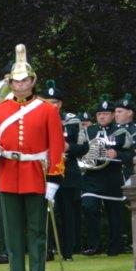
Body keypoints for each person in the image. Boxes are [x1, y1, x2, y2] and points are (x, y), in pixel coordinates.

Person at [0, 45, 65, 271]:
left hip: (36, 171)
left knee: (37, 227)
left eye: (25, 81)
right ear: (10, 83)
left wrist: (54, 177)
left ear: (32, 81)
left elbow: (57, 146)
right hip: (9, 171)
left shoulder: (47, 109)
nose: (20, 85)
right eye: (16, 82)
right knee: (12, 229)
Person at [80, 94, 134, 256]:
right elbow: (81, 150)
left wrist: (116, 153)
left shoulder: (121, 132)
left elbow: (131, 155)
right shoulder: (89, 131)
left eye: (105, 114)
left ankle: (115, 247)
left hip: (112, 178)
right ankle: (93, 245)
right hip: (92, 178)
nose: (102, 116)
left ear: (112, 115)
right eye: (99, 114)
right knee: (89, 206)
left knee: (115, 214)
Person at [41, 80, 89, 261]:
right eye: (47, 102)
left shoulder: (72, 121)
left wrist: (68, 147)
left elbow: (84, 147)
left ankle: (67, 252)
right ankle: (47, 250)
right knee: (45, 212)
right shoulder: (37, 119)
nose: (51, 105)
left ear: (60, 104)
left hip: (68, 173)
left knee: (66, 213)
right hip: (44, 171)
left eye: (54, 102)